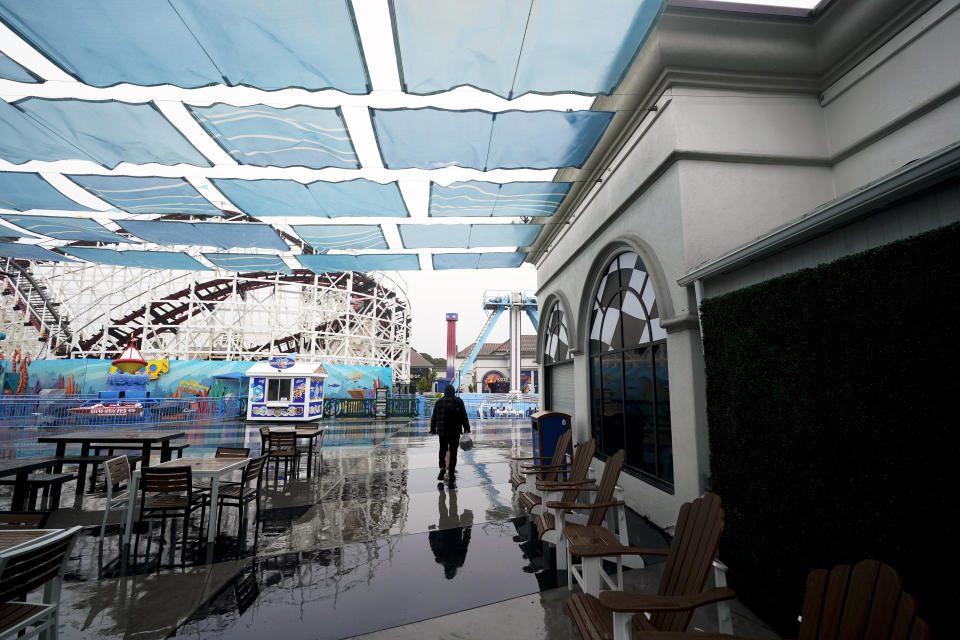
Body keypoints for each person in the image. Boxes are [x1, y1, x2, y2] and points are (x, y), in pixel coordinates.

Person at [429, 383, 470, 480]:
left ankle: (442, 468)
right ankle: (451, 472)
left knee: (442, 450)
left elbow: (434, 417)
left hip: (442, 431)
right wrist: (467, 428)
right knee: (453, 452)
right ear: (453, 392)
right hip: (454, 432)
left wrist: (433, 429)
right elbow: (464, 416)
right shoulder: (458, 401)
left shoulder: (439, 402)